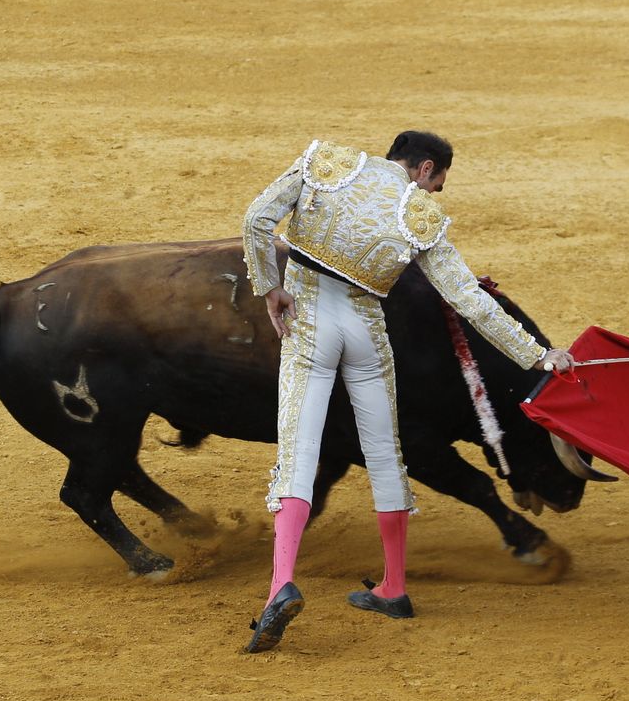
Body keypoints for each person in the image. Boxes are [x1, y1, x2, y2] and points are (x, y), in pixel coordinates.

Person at [239, 131, 574, 653]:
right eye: (438, 181)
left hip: (309, 322)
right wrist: (538, 355)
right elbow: (473, 303)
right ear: (423, 168)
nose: (436, 193)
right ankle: (394, 587)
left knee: (299, 451)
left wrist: (269, 286)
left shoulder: (326, 165)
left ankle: (280, 585)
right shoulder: (421, 219)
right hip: (367, 332)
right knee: (385, 455)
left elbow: (257, 220)